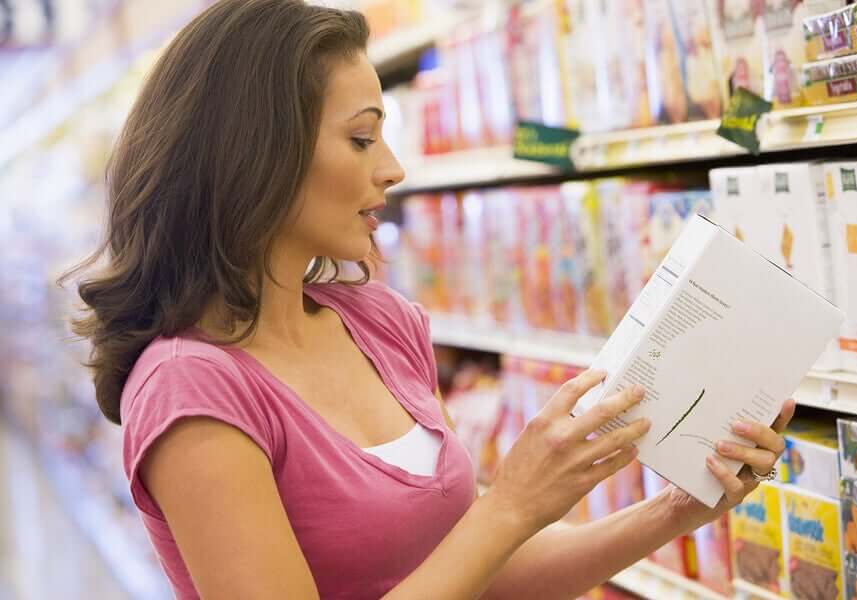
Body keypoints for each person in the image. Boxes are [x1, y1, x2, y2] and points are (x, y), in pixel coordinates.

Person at [61, 1, 793, 598]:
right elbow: (486, 540)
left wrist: (678, 509)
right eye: (360, 139)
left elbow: (477, 574)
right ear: (258, 152)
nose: (393, 169)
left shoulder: (378, 323)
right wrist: (509, 506)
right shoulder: (192, 388)